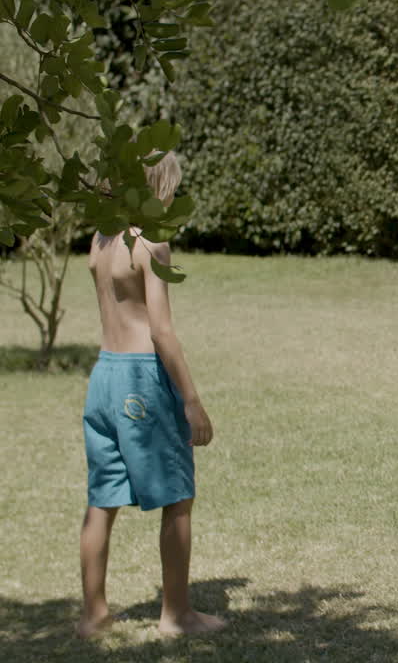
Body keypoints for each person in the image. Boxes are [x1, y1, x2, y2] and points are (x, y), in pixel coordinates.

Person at [76, 152, 226, 636]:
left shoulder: (100, 240)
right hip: (142, 379)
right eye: (171, 188)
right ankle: (176, 614)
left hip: (104, 375)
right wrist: (192, 399)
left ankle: (94, 614)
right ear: (156, 187)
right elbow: (161, 332)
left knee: (102, 499)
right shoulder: (150, 244)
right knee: (178, 496)